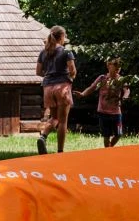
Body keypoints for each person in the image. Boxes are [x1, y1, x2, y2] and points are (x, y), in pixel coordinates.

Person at [36, 26, 76, 154]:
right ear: (62, 37)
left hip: (48, 87)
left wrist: (50, 75)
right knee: (63, 121)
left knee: (54, 118)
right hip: (62, 87)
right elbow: (72, 70)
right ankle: (60, 151)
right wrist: (71, 77)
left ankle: (43, 136)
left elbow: (38, 72)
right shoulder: (66, 52)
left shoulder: (43, 52)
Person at [79, 57, 129, 148]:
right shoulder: (102, 78)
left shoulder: (121, 79)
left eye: (119, 67)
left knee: (119, 134)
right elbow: (92, 88)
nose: (118, 68)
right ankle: (107, 152)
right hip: (103, 112)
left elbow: (127, 90)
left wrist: (125, 97)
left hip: (116, 113)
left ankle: (109, 148)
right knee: (106, 136)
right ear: (108, 66)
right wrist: (82, 94)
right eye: (116, 66)